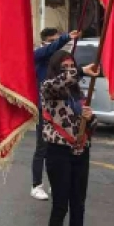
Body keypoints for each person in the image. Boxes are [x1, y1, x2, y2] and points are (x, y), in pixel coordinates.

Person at [40, 49, 101, 226]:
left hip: (80, 151)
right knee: (60, 206)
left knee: (79, 206)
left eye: (71, 66)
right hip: (58, 151)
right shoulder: (49, 87)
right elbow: (60, 83)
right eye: (64, 67)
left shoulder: (77, 92)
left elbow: (91, 125)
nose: (69, 71)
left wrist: (90, 117)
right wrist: (81, 71)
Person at [31, 27, 79, 201]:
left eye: (56, 40)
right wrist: (65, 38)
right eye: (52, 40)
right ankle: (36, 185)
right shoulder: (39, 54)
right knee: (42, 148)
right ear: (44, 41)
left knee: (60, 148)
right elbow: (49, 50)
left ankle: (56, 181)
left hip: (62, 109)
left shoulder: (59, 59)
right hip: (44, 108)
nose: (55, 44)